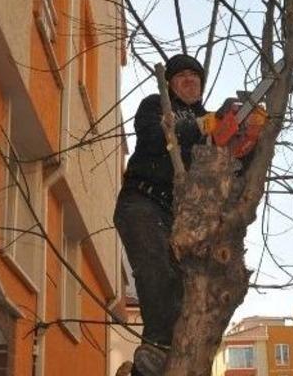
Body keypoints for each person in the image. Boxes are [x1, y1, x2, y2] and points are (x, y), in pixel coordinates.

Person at [114, 54, 211, 376]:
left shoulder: (208, 121)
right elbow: (155, 136)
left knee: (186, 292)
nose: (190, 80)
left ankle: (151, 365)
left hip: (176, 215)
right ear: (169, 83)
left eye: (195, 77)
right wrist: (198, 126)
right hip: (141, 201)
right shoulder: (156, 105)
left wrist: (245, 132)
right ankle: (157, 345)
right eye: (182, 76)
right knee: (156, 270)